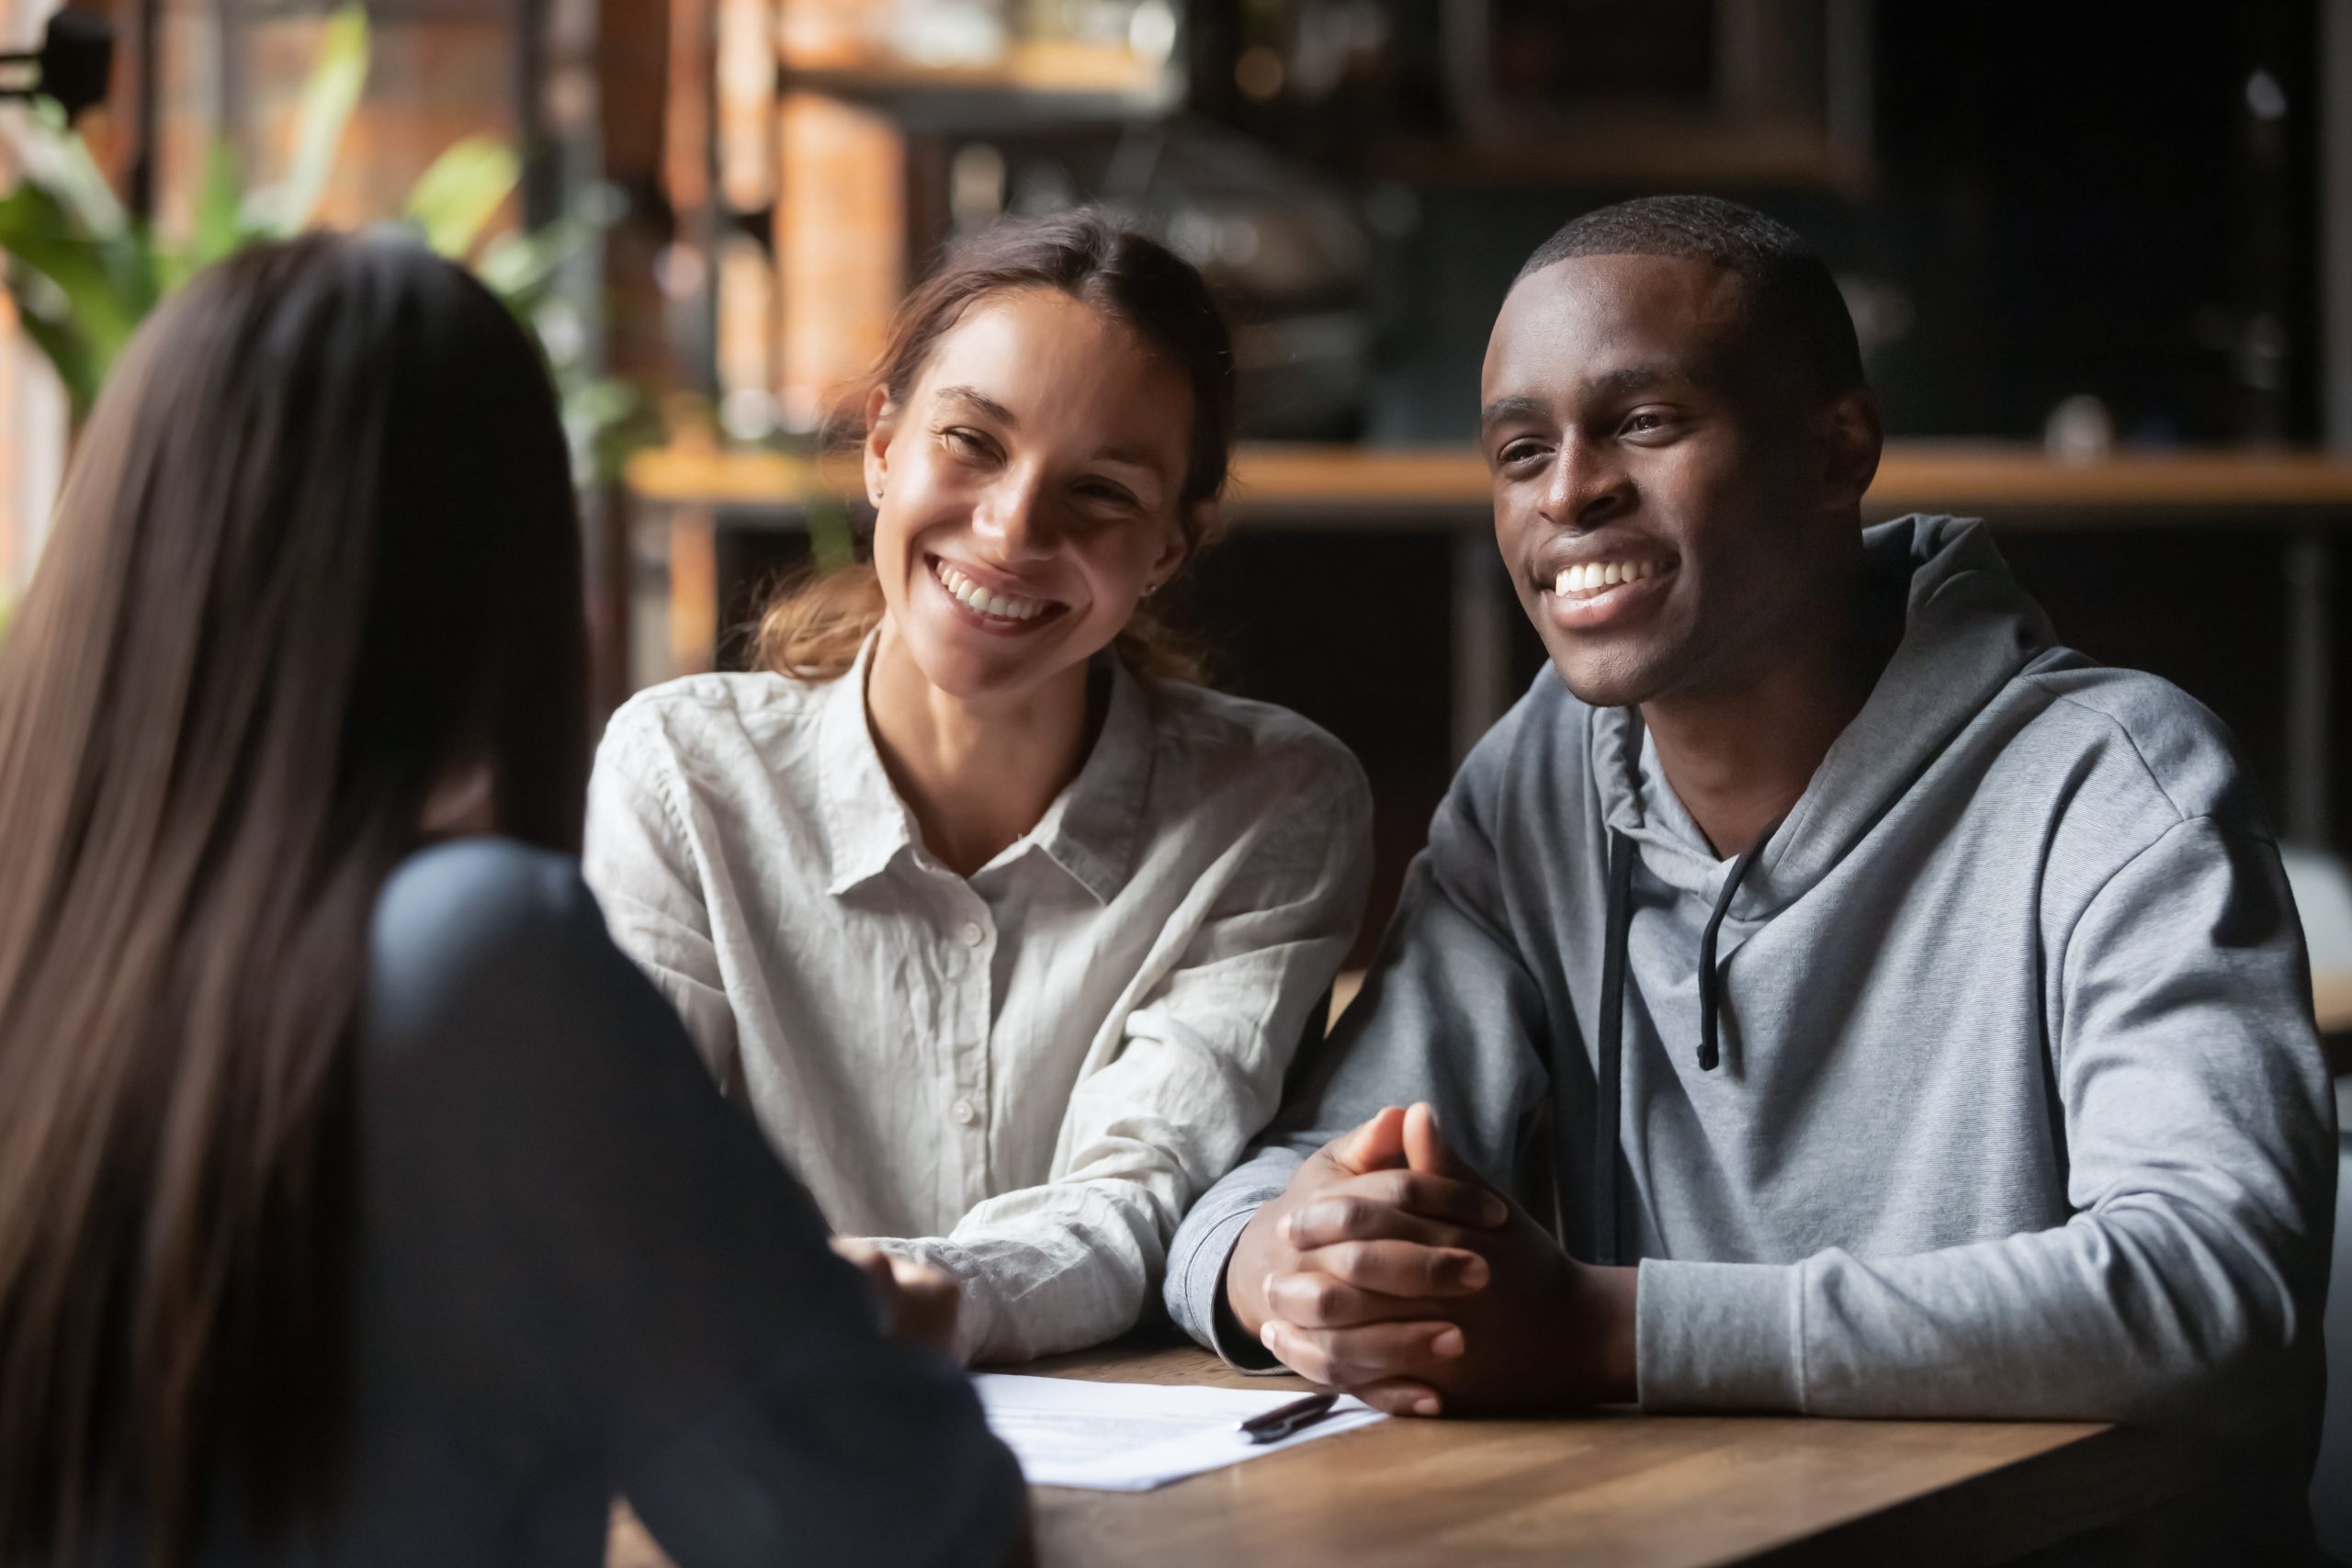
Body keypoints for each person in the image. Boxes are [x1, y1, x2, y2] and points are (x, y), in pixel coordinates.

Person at [1165, 197, 2336, 1526]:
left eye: (1645, 423)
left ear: (1840, 448)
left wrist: (1611, 1330)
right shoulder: (1536, 788)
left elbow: (2216, 1285)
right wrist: (1285, 1262)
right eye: (1519, 449)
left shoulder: (2119, 781)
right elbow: (1318, 1161)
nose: (1568, 490)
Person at [0, 234, 1022, 1567]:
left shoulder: (48, 936)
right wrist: (872, 1351)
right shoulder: (470, 954)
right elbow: (896, 1527)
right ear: (507, 580)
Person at [584, 209, 1372, 1366]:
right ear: (880, 446)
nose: (1011, 530)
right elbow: (635, 1184)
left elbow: (1142, 1192)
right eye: (972, 442)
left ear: (1168, 548)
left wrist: (918, 1298)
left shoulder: (1275, 805)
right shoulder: (681, 775)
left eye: (1101, 491)